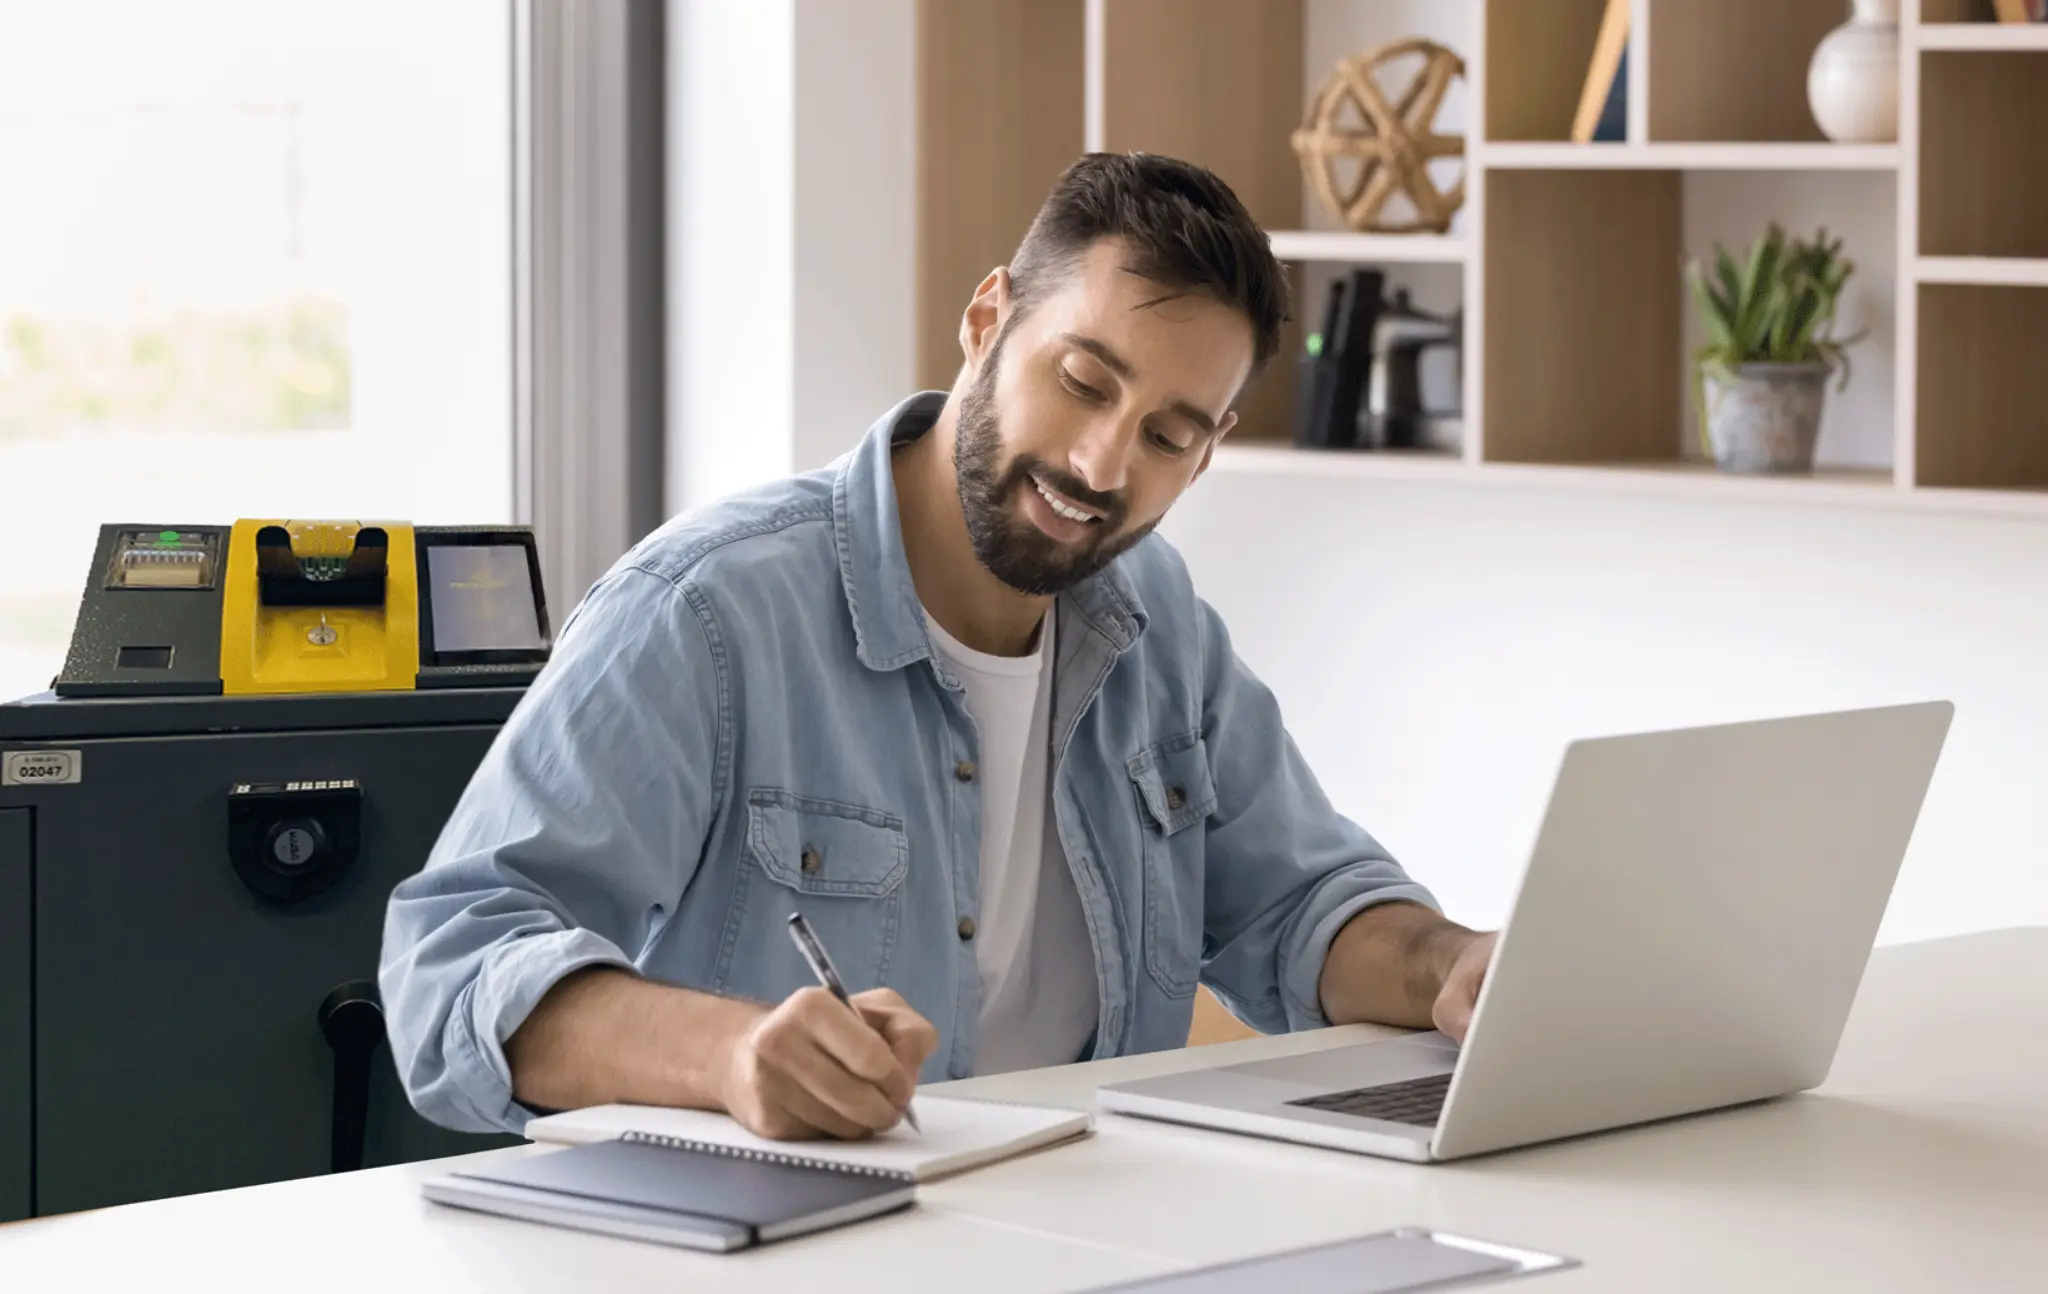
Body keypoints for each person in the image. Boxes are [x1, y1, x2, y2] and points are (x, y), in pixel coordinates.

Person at [379, 151, 1497, 1144]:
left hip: (1085, 1235)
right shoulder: (706, 611)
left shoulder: (1157, 625)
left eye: (1167, 434)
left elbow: (1301, 908)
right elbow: (451, 970)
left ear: (1207, 454)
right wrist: (725, 1057)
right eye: (1082, 382)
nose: (1102, 466)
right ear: (986, 319)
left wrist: (1457, 967)